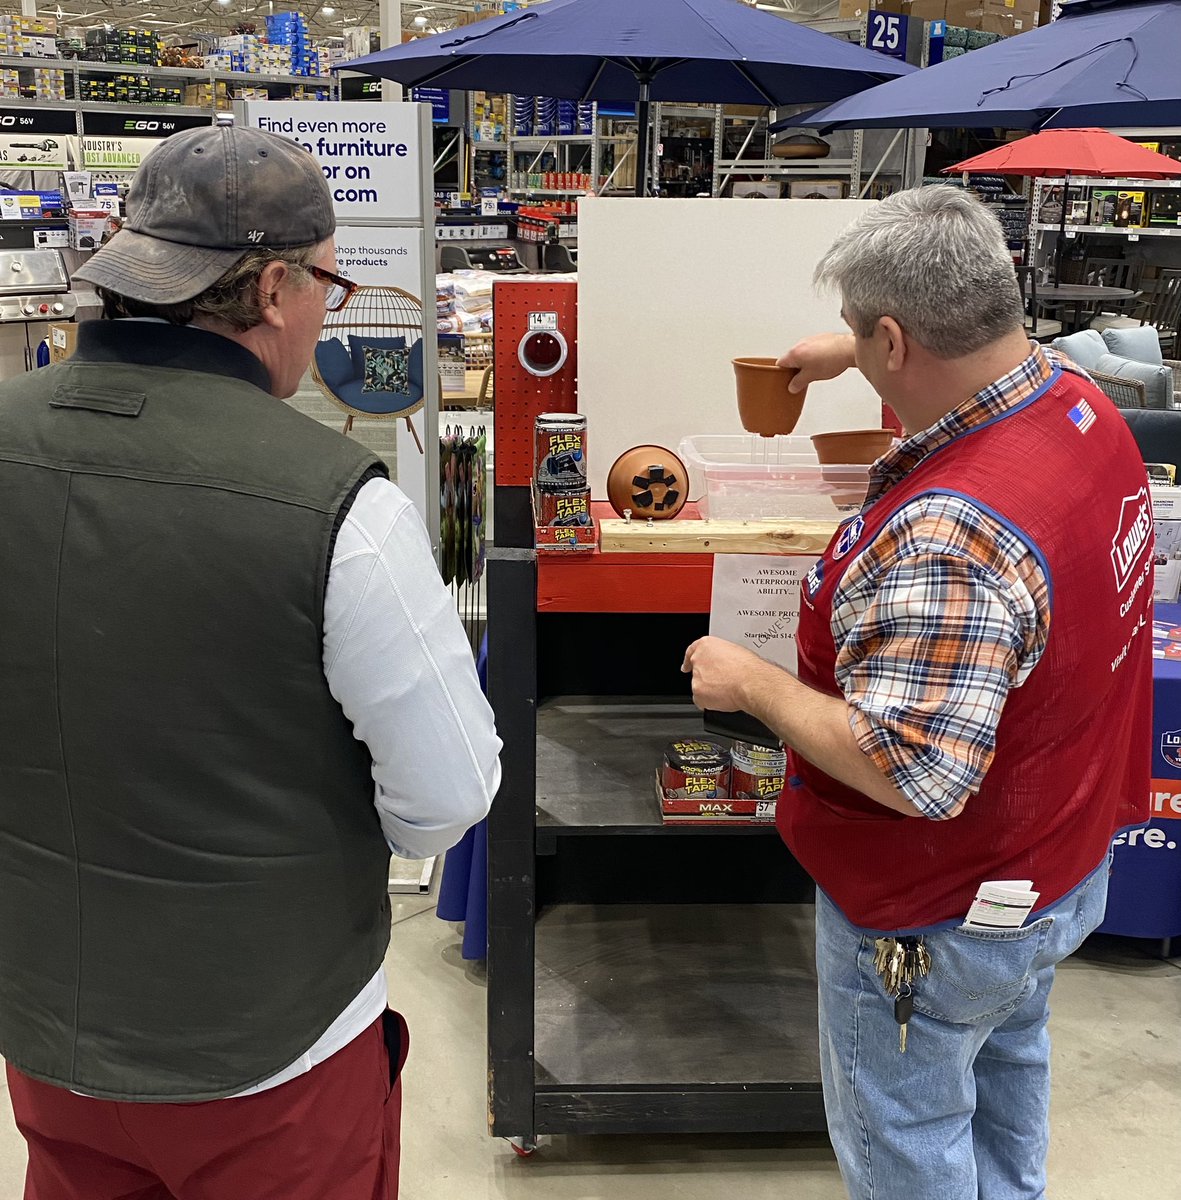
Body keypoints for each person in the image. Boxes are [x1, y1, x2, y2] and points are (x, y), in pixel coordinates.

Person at [0, 124, 500, 1199]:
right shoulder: (337, 504)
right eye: (327, 281)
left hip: (44, 1014)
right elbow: (446, 797)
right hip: (269, 1043)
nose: (329, 308)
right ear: (275, 287)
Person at [682, 185, 1150, 1200]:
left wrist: (750, 681)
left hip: (931, 907)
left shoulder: (950, 535)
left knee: (907, 1146)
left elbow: (914, 774)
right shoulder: (1073, 401)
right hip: (1048, 872)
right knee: (1002, 1074)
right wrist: (845, 349)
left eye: (864, 335)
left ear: (897, 339)